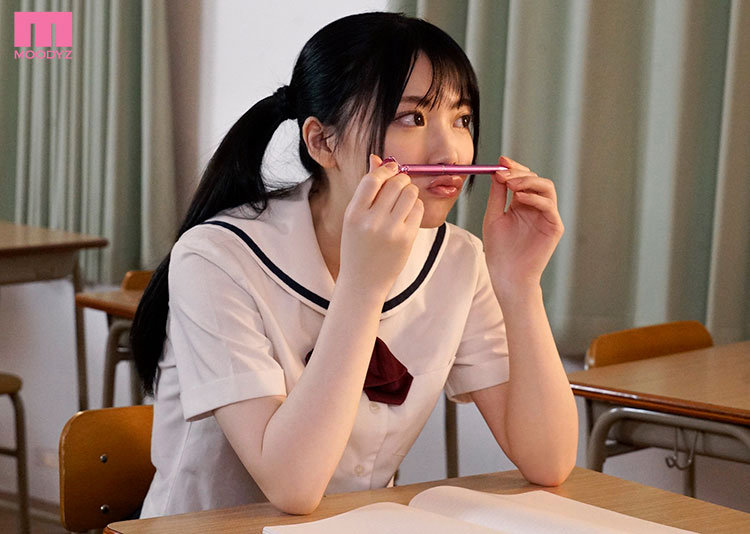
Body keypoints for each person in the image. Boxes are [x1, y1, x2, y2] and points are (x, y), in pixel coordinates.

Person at [131, 11, 578, 518]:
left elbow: (549, 461)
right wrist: (363, 287)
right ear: (322, 142)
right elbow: (293, 487)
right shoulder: (215, 257)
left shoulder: (457, 257)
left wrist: (520, 285)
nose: (450, 152)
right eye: (412, 118)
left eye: (461, 119)